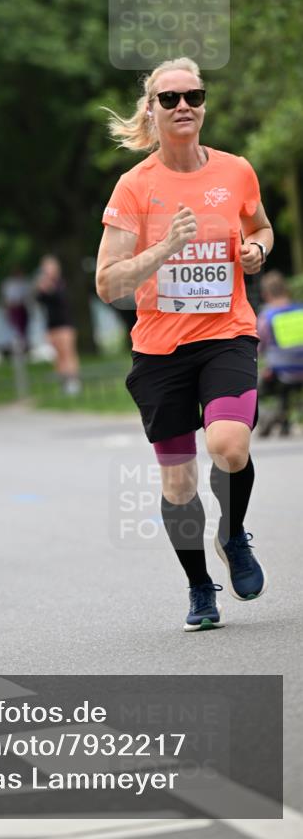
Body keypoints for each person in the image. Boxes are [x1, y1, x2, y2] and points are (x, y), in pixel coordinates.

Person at [96, 57, 273, 631]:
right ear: (150, 110)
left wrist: (257, 250)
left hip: (227, 334)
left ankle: (233, 534)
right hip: (159, 350)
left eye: (192, 96)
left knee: (229, 445)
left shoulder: (236, 171)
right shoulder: (135, 186)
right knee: (178, 482)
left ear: (203, 104)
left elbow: (261, 226)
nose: (182, 107)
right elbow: (107, 283)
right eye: (168, 98)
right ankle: (200, 587)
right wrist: (163, 249)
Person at [256, 271, 303, 436]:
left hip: (280, 371)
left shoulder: (266, 316)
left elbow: (259, 348)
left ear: (265, 294)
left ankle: (269, 418)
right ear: (286, 289)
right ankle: (284, 419)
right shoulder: (300, 310)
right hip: (301, 368)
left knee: (256, 386)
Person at [35, 255, 81, 395]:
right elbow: (40, 300)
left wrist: (49, 288)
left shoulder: (61, 283)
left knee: (68, 353)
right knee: (58, 356)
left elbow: (61, 299)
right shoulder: (44, 284)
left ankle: (73, 381)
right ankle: (63, 382)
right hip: (51, 324)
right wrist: (41, 289)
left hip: (65, 323)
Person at [1, 267, 31, 352]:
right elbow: (6, 299)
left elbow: (27, 297)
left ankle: (23, 346)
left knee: (23, 329)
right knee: (15, 330)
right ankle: (17, 347)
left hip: (22, 307)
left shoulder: (23, 283)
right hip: (13, 309)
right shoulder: (9, 284)